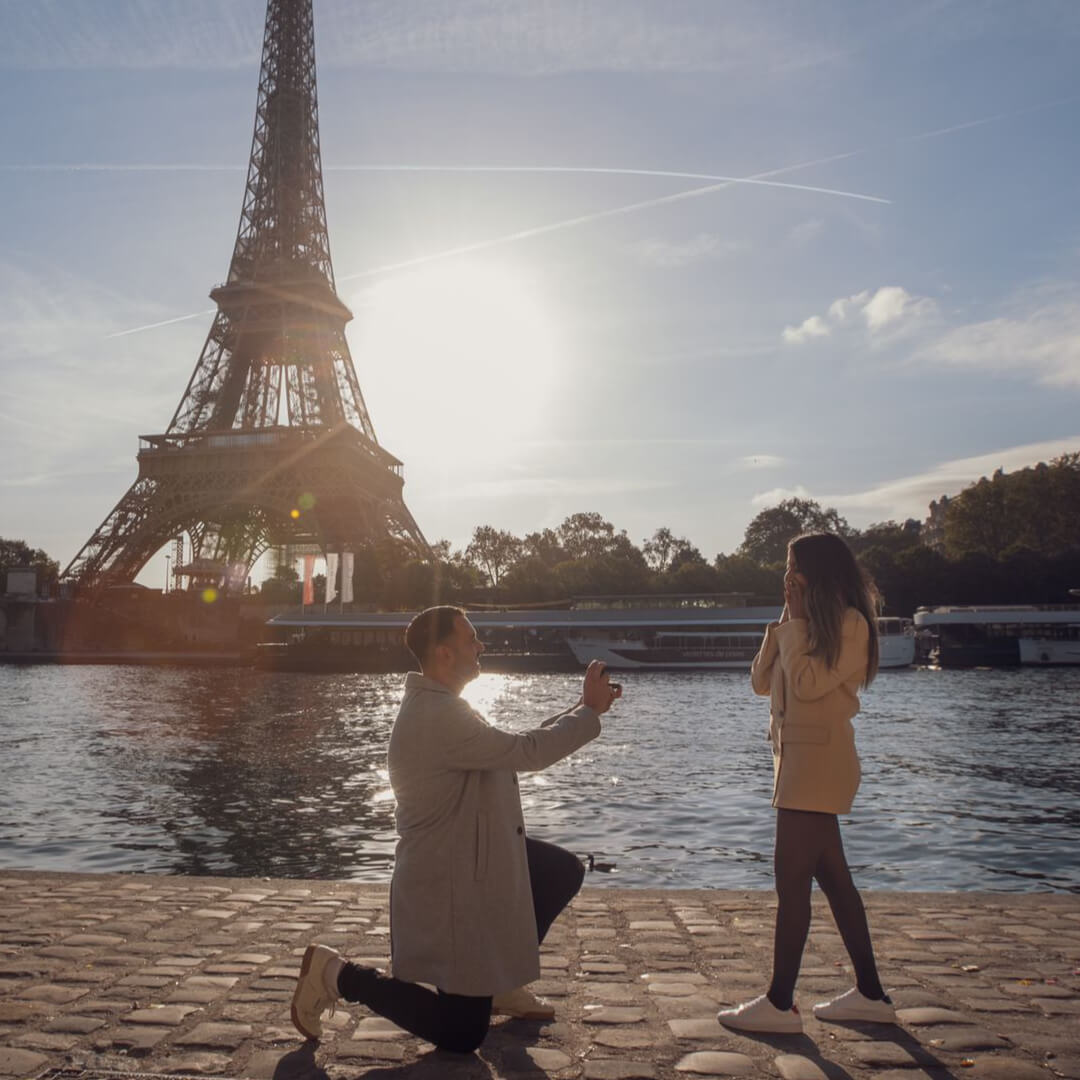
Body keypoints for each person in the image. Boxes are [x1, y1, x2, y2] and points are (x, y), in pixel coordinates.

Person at [291, 605, 621, 1053]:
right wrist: (587, 712)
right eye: (471, 639)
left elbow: (510, 749)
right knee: (462, 1034)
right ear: (445, 654)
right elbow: (524, 752)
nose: (480, 645)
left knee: (558, 870)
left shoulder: (443, 705)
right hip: (451, 885)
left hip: (473, 859)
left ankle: (498, 983)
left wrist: (583, 709)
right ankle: (336, 974)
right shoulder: (438, 714)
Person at [717, 532, 895, 1035]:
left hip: (819, 766)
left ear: (815, 574)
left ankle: (779, 1003)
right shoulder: (797, 625)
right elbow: (760, 682)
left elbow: (811, 685)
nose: (786, 578)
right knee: (835, 882)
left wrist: (794, 626)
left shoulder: (851, 625)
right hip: (796, 765)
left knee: (791, 882)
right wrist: (782, 624)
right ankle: (871, 994)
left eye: (793, 569)